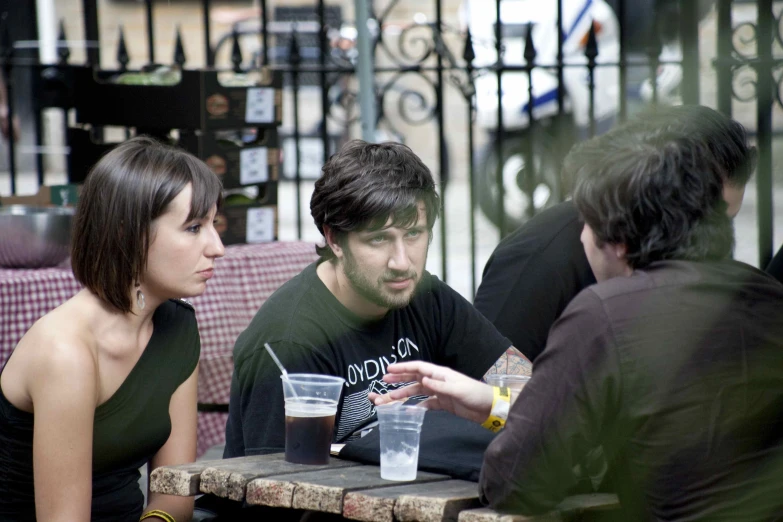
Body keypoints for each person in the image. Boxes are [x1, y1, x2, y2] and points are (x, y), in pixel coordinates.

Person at [372, 125, 783, 520]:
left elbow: (517, 479)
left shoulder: (604, 314)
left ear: (619, 241)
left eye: (585, 222)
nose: (579, 235)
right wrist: (497, 405)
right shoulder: (769, 294)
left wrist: (506, 408)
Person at [221, 140, 525, 460]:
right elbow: (271, 488)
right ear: (334, 239)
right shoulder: (291, 338)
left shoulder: (427, 298)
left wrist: (490, 406)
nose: (401, 261)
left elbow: (536, 397)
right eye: (379, 238)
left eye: (413, 234)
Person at [0, 136, 225, 521]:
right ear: (127, 233)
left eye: (213, 224)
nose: (217, 247)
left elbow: (174, 493)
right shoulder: (65, 352)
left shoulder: (177, 325)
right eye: (193, 227)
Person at [474, 104, 757, 363]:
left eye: (723, 222)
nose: (711, 238)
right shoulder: (538, 261)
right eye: (702, 218)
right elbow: (492, 386)